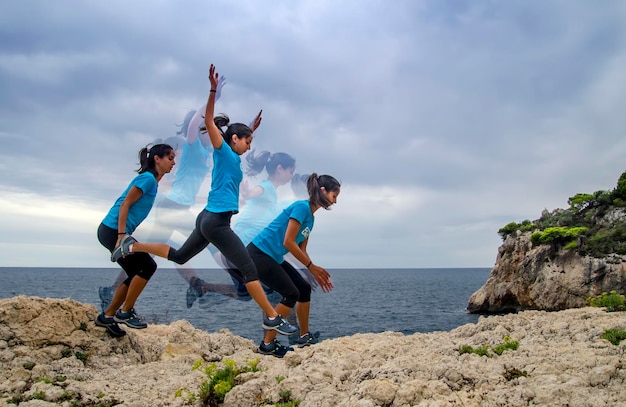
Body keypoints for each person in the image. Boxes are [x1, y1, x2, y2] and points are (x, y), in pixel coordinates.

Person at [111, 64, 297, 336]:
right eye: (247, 141)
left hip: (207, 219)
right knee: (247, 267)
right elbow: (209, 121)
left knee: (180, 255)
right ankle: (271, 316)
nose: (250, 147)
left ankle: (131, 246)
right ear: (234, 139)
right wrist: (212, 91)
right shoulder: (222, 151)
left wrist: (251, 127)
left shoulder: (232, 155)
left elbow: (235, 135)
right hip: (217, 223)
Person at [247, 173, 340, 357]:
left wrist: (314, 272)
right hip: (259, 254)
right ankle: (267, 344)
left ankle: (305, 336)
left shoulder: (311, 218)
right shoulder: (301, 207)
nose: (335, 201)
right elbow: (288, 242)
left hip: (273, 257)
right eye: (334, 196)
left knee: (303, 288)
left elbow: (300, 250)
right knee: (290, 294)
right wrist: (311, 266)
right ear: (323, 191)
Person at [188, 150, 297, 307]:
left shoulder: (272, 193)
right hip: (239, 244)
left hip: (239, 245)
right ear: (280, 168)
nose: (291, 176)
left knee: (246, 293)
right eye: (290, 171)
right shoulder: (267, 187)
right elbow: (255, 192)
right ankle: (279, 324)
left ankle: (202, 288)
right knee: (267, 290)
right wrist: (247, 194)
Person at [95, 143, 176, 337]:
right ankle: (125, 312)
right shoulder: (147, 179)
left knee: (135, 272)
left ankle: (107, 316)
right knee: (147, 266)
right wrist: (122, 237)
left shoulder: (152, 181)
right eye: (170, 158)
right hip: (113, 230)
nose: (173, 163)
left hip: (114, 230)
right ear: (157, 159)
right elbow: (125, 205)